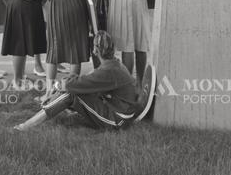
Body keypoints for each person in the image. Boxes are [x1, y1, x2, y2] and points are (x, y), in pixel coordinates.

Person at [14, 31, 156, 131]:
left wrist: (58, 84)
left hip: (118, 119)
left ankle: (27, 125)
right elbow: (85, 80)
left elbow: (74, 85)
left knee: (71, 94)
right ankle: (46, 109)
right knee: (72, 90)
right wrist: (64, 84)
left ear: (96, 51)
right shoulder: (114, 64)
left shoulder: (108, 71)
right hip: (121, 111)